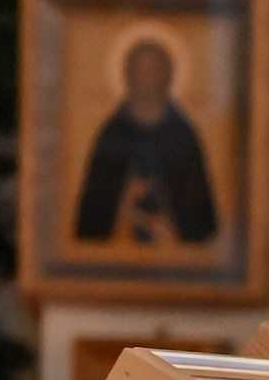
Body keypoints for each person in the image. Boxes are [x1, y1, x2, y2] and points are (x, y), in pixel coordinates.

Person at [72, 36, 220, 247]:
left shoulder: (182, 135)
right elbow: (94, 216)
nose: (148, 78)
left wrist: (164, 198)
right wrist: (126, 195)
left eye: (155, 71)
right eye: (141, 70)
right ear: (129, 76)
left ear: (167, 76)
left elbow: (199, 219)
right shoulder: (112, 134)